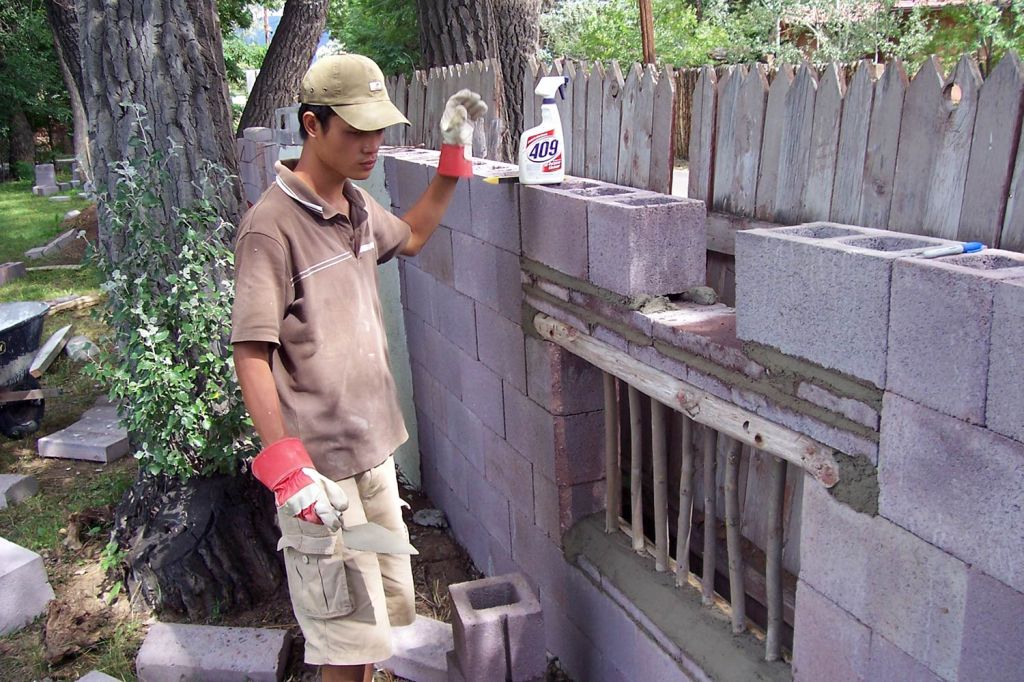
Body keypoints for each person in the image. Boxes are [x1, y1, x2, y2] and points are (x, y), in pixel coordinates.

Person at [230, 53, 486, 682]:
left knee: (375, 628)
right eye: (355, 131)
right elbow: (250, 352)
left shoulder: (357, 206)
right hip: (322, 478)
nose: (372, 145)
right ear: (312, 126)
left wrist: (454, 157)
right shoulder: (271, 228)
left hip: (373, 457)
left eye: (379, 130)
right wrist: (289, 473)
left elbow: (415, 237)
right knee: (341, 646)